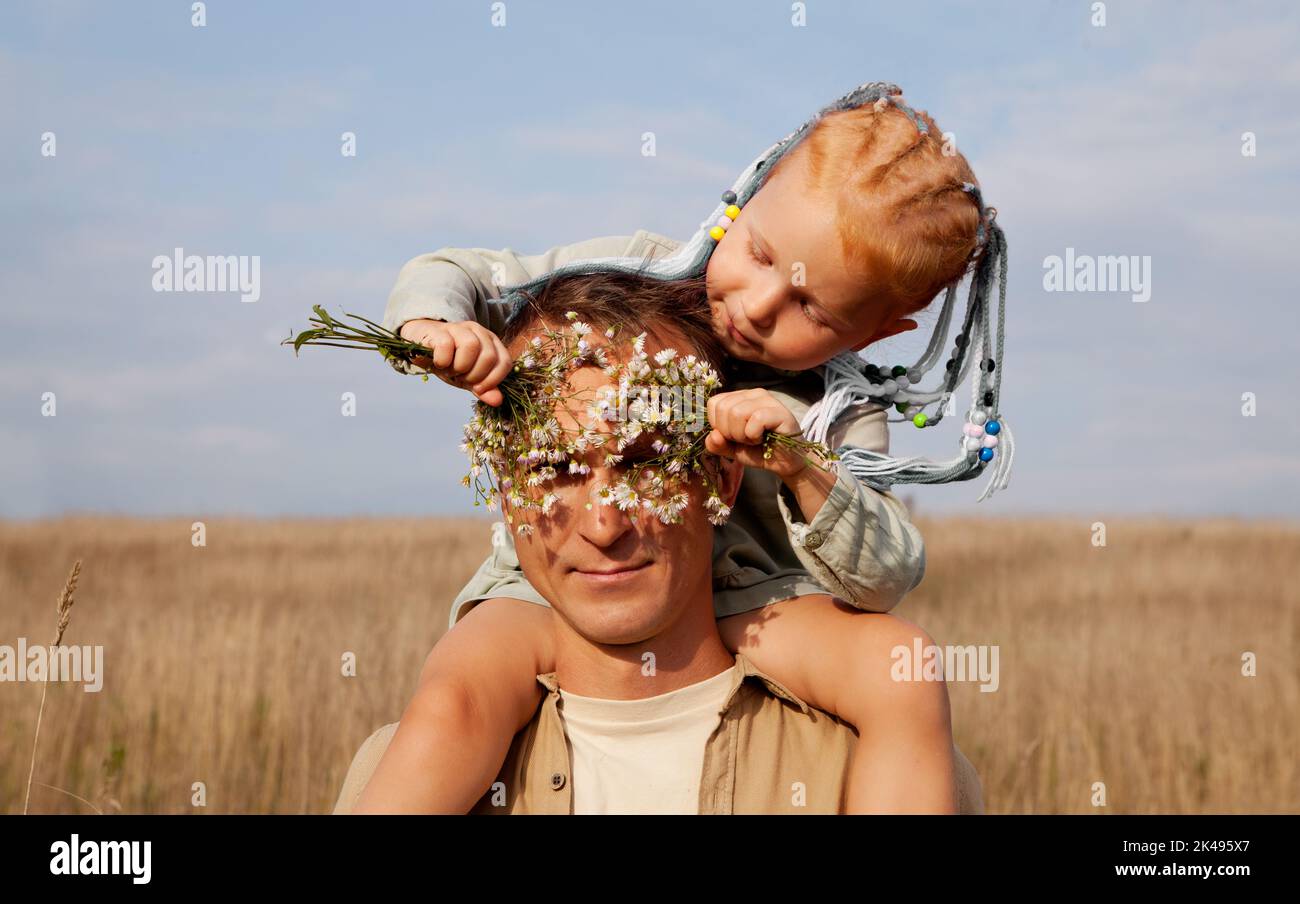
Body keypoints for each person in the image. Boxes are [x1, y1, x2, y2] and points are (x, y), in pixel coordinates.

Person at [334, 271, 983, 814]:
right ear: (506, 491)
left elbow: (888, 575)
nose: (603, 524)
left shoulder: (874, 768)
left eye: (646, 464)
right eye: (554, 469)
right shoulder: (407, 771)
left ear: (725, 479)